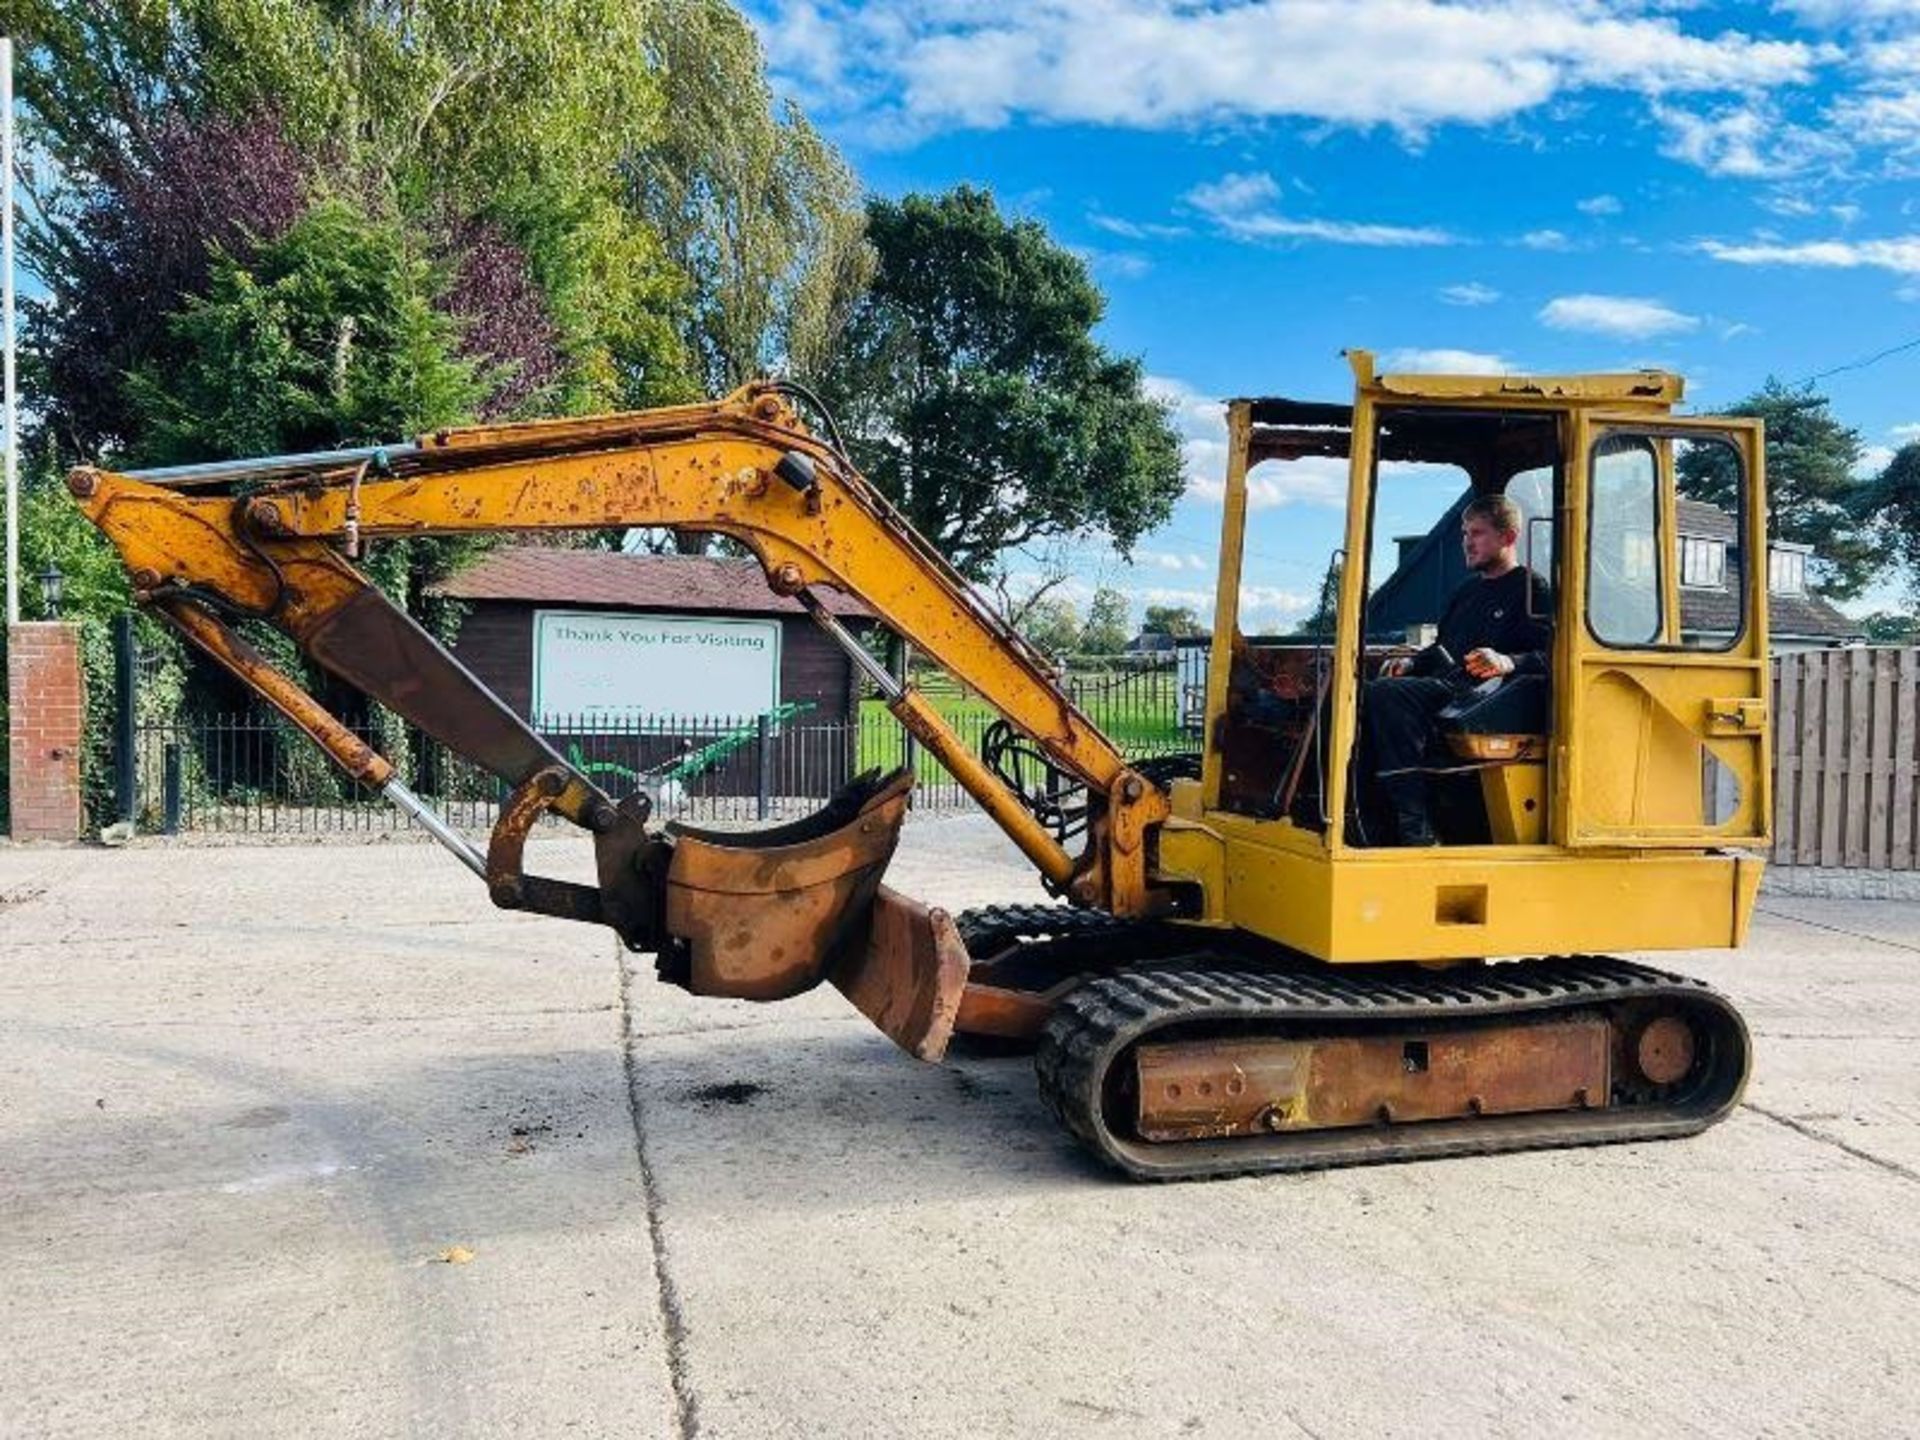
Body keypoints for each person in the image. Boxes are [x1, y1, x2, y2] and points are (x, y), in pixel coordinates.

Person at [1364, 493, 1550, 846]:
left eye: (1476, 533)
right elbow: (1442, 648)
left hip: (1488, 699)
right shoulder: (1466, 592)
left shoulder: (1532, 590)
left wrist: (1508, 661)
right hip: (1449, 688)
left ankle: (1415, 824)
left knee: (1386, 695)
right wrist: (1411, 662)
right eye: (1465, 534)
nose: (1467, 542)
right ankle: (1369, 813)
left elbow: (1552, 654)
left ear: (1508, 537)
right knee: (1356, 693)